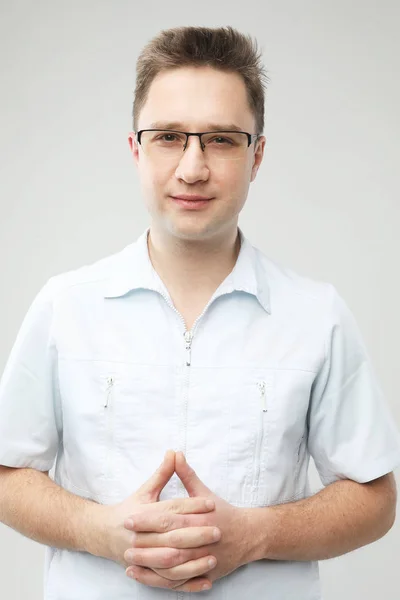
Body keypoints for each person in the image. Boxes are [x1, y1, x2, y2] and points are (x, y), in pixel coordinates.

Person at [0, 25, 399, 600]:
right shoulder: (65, 306)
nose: (192, 168)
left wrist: (256, 535)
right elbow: (9, 474)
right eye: (168, 137)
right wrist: (102, 532)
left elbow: (375, 498)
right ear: (136, 149)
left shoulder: (317, 314)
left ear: (256, 155)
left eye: (220, 140)